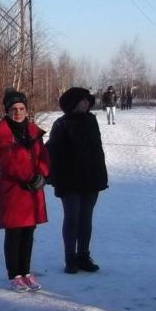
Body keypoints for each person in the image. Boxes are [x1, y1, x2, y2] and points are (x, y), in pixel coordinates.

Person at [46, 87, 108, 273]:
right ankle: (70, 258)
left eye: (87, 100)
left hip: (90, 178)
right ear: (73, 103)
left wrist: (100, 174)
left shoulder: (92, 120)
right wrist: (53, 176)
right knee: (72, 217)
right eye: (82, 100)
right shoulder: (61, 124)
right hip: (69, 179)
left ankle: (83, 255)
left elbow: (97, 151)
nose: (86, 103)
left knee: (86, 218)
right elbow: (52, 151)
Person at [0, 90, 50, 292]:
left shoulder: (33, 130)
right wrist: (28, 177)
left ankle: (26, 272)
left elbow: (44, 156)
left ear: (26, 109)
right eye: (14, 109)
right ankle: (14, 274)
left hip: (32, 191)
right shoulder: (1, 131)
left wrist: (42, 174)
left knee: (28, 233)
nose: (18, 112)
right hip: (14, 189)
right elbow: (7, 161)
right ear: (7, 111)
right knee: (14, 233)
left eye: (21, 108)